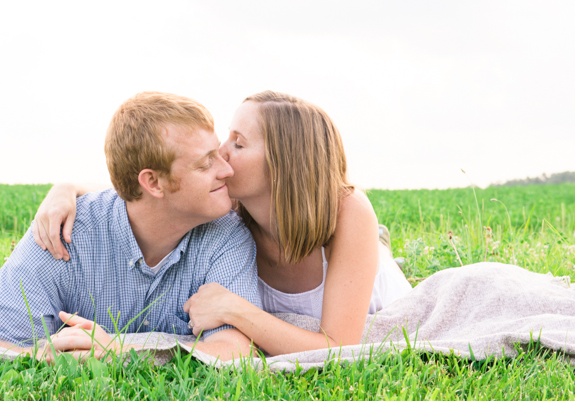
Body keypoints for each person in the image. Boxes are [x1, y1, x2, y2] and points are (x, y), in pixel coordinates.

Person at [33, 91, 412, 356]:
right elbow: (154, 193)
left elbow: (339, 348)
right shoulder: (227, 206)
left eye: (238, 143)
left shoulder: (347, 210)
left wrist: (235, 310)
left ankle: (380, 250)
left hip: (371, 288)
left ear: (284, 165)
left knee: (374, 253)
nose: (220, 152)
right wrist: (69, 187)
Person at [0, 92, 261, 362]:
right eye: (205, 164)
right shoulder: (64, 232)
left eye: (218, 155)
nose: (227, 170)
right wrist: (54, 357)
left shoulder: (228, 235)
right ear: (153, 183)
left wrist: (119, 352)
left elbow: (236, 350)